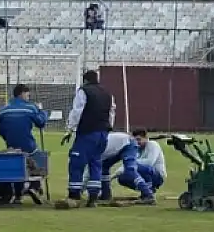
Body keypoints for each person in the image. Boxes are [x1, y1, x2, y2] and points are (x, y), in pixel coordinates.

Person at [61, 70, 115, 207]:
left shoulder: (84, 91)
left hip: (87, 132)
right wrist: (108, 127)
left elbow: (77, 111)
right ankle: (93, 197)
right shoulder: (108, 93)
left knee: (76, 162)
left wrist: (70, 128)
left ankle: (74, 194)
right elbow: (112, 112)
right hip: (103, 133)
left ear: (85, 80)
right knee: (96, 163)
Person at [0, 84, 50, 204]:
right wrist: (41, 111)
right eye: (27, 94)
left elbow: (1, 130)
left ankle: (17, 195)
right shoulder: (30, 107)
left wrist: (8, 140)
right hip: (27, 144)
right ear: (21, 94)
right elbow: (41, 123)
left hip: (11, 144)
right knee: (39, 159)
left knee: (17, 165)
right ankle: (34, 186)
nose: (28, 97)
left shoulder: (4, 109)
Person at [98, 130, 156, 205]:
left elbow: (88, 172)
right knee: (104, 167)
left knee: (130, 170)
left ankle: (148, 194)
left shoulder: (91, 149)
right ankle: (106, 195)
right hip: (118, 146)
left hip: (128, 144)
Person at [127, 129, 167, 196]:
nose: (136, 142)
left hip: (158, 176)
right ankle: (145, 190)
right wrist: (113, 176)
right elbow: (128, 164)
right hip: (146, 172)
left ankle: (148, 192)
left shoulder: (153, 145)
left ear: (146, 138)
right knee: (122, 177)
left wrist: (132, 162)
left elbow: (149, 162)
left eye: (139, 139)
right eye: (135, 140)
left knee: (141, 167)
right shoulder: (136, 148)